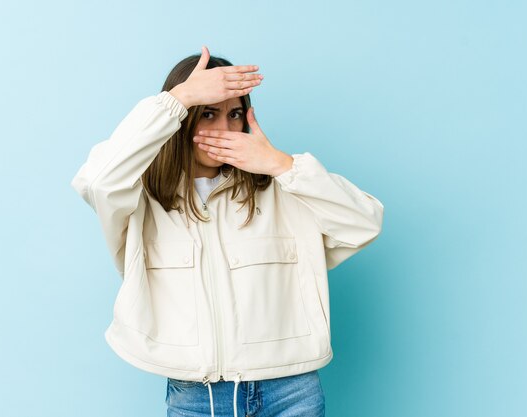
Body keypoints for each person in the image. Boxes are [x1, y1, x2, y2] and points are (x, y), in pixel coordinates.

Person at [70, 45, 384, 417]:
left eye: (234, 114)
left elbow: (364, 222)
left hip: (291, 392)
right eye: (207, 113)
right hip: (195, 398)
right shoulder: (140, 199)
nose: (224, 128)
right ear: (182, 120)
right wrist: (177, 99)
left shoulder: (283, 189)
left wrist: (283, 165)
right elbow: (98, 181)